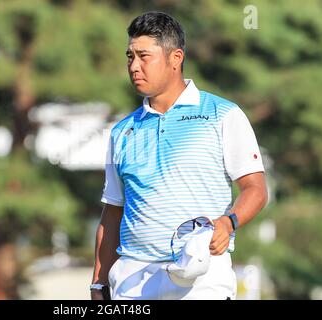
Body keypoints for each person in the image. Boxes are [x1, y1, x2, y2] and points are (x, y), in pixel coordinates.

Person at [90, 11, 268, 300]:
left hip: (202, 277)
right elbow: (112, 213)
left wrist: (229, 222)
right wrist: (99, 283)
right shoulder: (121, 131)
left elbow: (256, 190)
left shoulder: (223, 114)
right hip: (133, 280)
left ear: (176, 58)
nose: (134, 66)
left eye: (144, 56)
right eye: (130, 56)